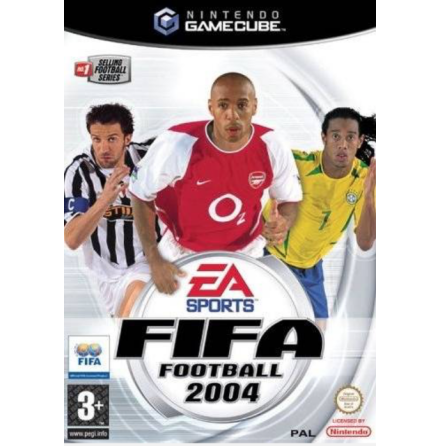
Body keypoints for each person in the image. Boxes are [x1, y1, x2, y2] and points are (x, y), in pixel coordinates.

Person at [129, 72, 303, 294]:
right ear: (211, 108)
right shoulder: (177, 144)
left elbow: (289, 199)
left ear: (255, 107)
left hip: (247, 251)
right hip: (182, 253)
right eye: (223, 105)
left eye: (242, 105)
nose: (233, 115)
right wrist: (154, 260)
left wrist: (283, 223)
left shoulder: (272, 144)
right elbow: (140, 194)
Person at [264, 107, 376, 329]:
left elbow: (365, 243)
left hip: (311, 267)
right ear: (324, 137)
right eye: (335, 136)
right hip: (274, 259)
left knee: (318, 334)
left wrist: (369, 199)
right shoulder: (297, 163)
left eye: (350, 137)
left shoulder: (364, 179)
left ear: (360, 141)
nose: (343, 144)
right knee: (265, 324)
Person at [64, 103, 155, 317]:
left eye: (112, 139)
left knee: (138, 299)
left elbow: (184, 145)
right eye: (97, 139)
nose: (103, 148)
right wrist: (105, 199)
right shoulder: (79, 172)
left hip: (147, 260)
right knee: (124, 321)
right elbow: (72, 239)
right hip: (105, 271)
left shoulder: (148, 158)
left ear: (127, 138)